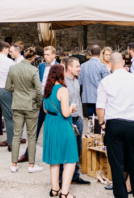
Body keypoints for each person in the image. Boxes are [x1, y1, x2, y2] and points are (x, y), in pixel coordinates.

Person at [97, 52, 134, 198]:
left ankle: (121, 195)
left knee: (117, 163)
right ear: (124, 62)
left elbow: (100, 107)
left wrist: (102, 123)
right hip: (132, 123)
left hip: (113, 124)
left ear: (111, 64)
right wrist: (130, 108)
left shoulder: (106, 81)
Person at [42, 64, 78, 198]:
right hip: (62, 125)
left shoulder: (47, 89)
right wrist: (72, 107)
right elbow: (65, 113)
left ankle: (55, 189)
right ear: (61, 74)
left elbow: (45, 109)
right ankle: (65, 193)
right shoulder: (62, 90)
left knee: (55, 158)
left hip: (50, 124)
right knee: (71, 158)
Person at [5, 47, 43, 173]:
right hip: (31, 105)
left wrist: (17, 91)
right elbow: (39, 90)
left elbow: (7, 86)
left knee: (17, 134)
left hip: (17, 104)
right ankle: (31, 165)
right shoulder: (33, 70)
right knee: (31, 136)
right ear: (33, 58)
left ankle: (14, 164)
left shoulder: (13, 68)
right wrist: (38, 103)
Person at [18, 45, 56, 162]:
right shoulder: (41, 66)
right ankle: (28, 153)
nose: (46, 57)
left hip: (52, 101)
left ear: (54, 55)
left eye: (48, 54)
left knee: (53, 129)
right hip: (40, 100)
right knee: (35, 128)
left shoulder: (59, 67)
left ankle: (54, 154)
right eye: (44, 54)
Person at [62, 56, 89, 185]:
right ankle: (63, 178)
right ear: (69, 67)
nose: (79, 69)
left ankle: (75, 176)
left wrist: (82, 118)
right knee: (66, 148)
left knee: (77, 148)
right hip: (67, 119)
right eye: (77, 66)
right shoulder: (63, 82)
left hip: (78, 118)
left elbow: (78, 100)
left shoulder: (76, 81)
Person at [79, 44, 108, 134]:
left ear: (90, 53)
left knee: (90, 117)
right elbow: (106, 81)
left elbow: (80, 82)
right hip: (99, 96)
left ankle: (91, 133)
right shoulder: (101, 66)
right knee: (99, 118)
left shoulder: (83, 66)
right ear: (100, 54)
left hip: (87, 96)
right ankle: (97, 134)